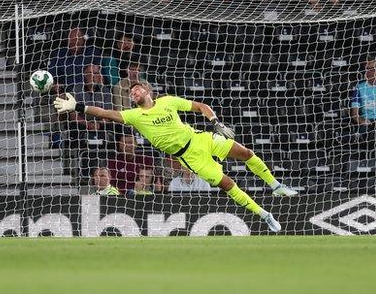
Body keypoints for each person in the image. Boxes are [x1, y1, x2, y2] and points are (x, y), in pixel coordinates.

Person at [54, 82, 298, 232]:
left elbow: (200, 106)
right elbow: (106, 113)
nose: (134, 92)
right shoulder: (135, 116)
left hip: (200, 138)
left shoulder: (168, 101)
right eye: (131, 92)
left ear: (147, 91)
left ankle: (275, 186)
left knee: (246, 153)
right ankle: (264, 215)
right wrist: (78, 107)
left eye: (137, 89)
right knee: (228, 184)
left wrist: (216, 123)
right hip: (189, 157)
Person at [48, 28, 98, 92]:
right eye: (72, 39)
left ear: (84, 40)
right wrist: (55, 87)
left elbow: (100, 75)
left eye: (78, 39)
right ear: (68, 41)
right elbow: (51, 78)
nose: (75, 42)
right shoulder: (59, 55)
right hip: (66, 92)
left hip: (88, 91)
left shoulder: (92, 52)